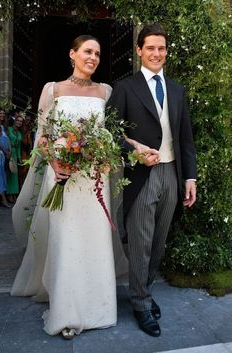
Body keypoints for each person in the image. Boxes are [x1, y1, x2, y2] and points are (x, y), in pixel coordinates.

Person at [11, 35, 117, 339]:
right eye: (87, 51)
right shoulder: (53, 90)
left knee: (95, 241)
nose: (93, 57)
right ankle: (66, 312)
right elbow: (42, 137)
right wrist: (57, 164)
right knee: (66, 242)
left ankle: (100, 308)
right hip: (61, 178)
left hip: (94, 180)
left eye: (97, 53)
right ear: (72, 54)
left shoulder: (105, 92)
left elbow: (109, 136)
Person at [107, 23, 197, 337]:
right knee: (141, 244)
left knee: (158, 242)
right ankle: (141, 303)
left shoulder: (176, 89)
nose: (156, 53)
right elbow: (110, 132)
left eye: (161, 48)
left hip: (172, 173)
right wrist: (133, 151)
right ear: (139, 50)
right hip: (141, 175)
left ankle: (143, 291)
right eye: (150, 48)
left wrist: (190, 177)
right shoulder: (125, 87)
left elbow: (185, 138)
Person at [0, 108, 11, 207]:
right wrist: (5, 151)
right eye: (0, 113)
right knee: (0, 175)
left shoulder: (4, 127)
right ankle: (3, 199)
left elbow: (8, 140)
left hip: (5, 155)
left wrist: (9, 151)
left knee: (3, 175)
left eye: (3, 113)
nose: (2, 115)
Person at [7, 115, 23, 203]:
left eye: (21, 121)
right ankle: (9, 195)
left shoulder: (20, 133)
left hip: (15, 155)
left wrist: (19, 158)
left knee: (14, 175)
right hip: (8, 153)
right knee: (9, 174)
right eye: (18, 120)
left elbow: (19, 147)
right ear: (14, 121)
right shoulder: (8, 129)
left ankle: (13, 194)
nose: (19, 122)